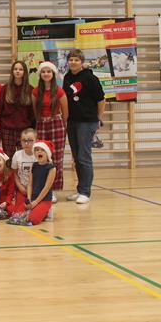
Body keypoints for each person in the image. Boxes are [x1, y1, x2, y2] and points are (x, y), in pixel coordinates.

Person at [63, 49, 105, 205]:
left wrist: (98, 119)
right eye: (71, 60)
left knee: (84, 157)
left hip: (87, 122)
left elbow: (101, 100)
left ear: (81, 62)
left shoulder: (90, 78)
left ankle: (86, 192)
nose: (73, 62)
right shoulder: (67, 77)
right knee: (76, 157)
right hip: (72, 121)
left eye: (76, 60)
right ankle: (80, 189)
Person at [32, 61, 68, 194]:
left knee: (56, 157)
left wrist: (60, 124)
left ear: (53, 74)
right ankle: (42, 189)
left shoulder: (59, 91)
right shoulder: (36, 91)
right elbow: (35, 111)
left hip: (56, 125)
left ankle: (53, 189)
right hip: (41, 124)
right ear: (40, 74)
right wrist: (41, 120)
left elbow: (65, 113)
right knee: (41, 156)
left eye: (48, 72)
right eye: (43, 72)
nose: (46, 74)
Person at [0, 61, 35, 157]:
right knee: (8, 157)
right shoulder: (5, 89)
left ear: (25, 72)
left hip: (25, 129)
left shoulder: (30, 89)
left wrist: (32, 128)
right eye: (15, 69)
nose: (18, 71)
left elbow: (32, 112)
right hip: (7, 129)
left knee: (24, 156)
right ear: (12, 71)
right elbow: (0, 109)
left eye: (20, 69)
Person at [17, 140, 57, 225]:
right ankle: (37, 211)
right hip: (33, 198)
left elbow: (46, 188)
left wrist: (35, 202)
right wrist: (28, 199)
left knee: (33, 220)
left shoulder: (51, 168)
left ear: (47, 153)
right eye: (37, 150)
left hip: (44, 199)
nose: (39, 152)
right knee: (17, 215)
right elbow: (30, 184)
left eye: (42, 150)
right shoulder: (34, 165)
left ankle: (47, 211)